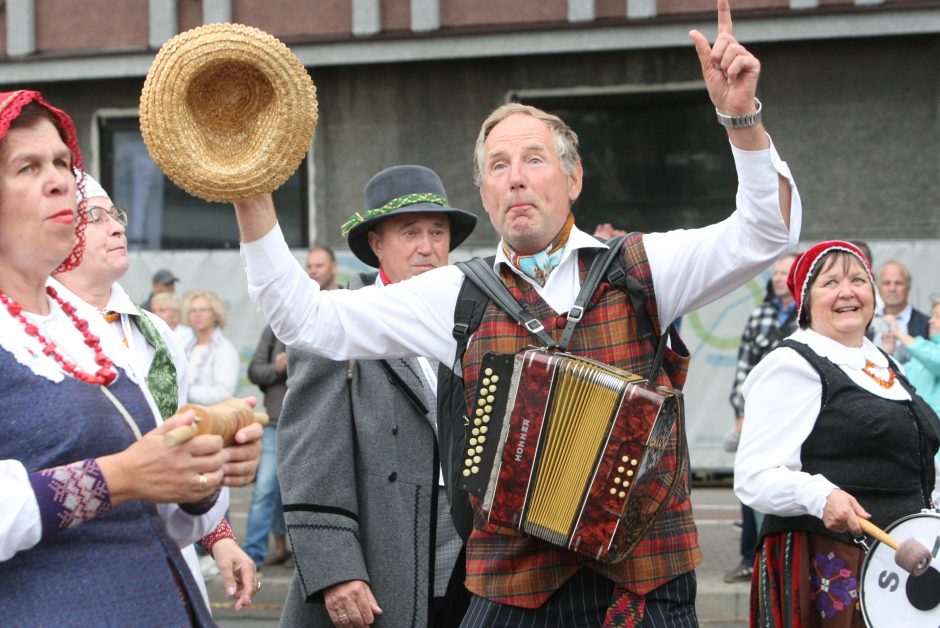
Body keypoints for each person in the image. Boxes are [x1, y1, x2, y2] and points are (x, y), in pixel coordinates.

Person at [233, 1, 800, 621]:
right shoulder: (458, 293)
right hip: (514, 594)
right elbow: (307, 321)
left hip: (642, 588)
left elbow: (765, 234)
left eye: (534, 159)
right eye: (499, 166)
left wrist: (741, 118)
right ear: (485, 192)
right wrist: (251, 190)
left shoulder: (641, 267)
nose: (517, 178)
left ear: (573, 178)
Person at [0, 90, 260, 623]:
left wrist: (202, 466)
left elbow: (163, 516)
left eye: (61, 163)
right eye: (26, 167)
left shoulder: (88, 328)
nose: (58, 181)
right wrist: (117, 476)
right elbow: (126, 478)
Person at [278, 164, 476, 627]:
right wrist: (336, 571)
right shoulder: (335, 322)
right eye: (410, 232)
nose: (427, 247)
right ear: (376, 244)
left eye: (437, 231)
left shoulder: (475, 323)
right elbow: (309, 461)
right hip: (380, 558)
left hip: (473, 558)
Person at [53, 172, 261, 611]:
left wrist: (219, 535)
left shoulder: (157, 333)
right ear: (53, 229)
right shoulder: (29, 332)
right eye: (94, 216)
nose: (116, 227)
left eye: (116, 214)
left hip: (167, 556)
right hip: (72, 567)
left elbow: (177, 443)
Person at [734, 240, 940, 626]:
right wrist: (820, 494)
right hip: (834, 561)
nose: (847, 291)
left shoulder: (885, 360)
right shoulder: (792, 364)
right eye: (830, 283)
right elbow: (753, 478)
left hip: (904, 567)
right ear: (806, 302)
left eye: (858, 280)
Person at [724, 252, 798, 582]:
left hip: (797, 417)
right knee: (751, 485)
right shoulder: (759, 316)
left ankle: (788, 560)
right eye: (777, 271)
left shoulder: (810, 315)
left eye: (787, 272)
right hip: (760, 417)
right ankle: (749, 559)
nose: (780, 276)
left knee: (791, 486)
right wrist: (741, 413)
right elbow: (743, 368)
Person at [243, 324, 290, 570]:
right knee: (265, 490)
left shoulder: (323, 318)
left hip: (311, 423)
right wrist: (277, 368)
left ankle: (304, 555)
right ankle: (251, 556)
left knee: (301, 491)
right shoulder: (274, 329)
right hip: (274, 423)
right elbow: (255, 372)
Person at [883, 297, 940, 415]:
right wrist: (888, 354)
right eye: (933, 315)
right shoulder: (925, 352)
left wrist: (899, 333)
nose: (931, 321)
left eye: (938, 316)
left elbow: (936, 360)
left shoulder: (927, 352)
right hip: (919, 426)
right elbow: (899, 377)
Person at [183, 289, 240, 405]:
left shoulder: (224, 349)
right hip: (187, 415)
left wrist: (185, 392)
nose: (197, 314)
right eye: (193, 311)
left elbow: (224, 392)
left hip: (213, 418)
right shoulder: (187, 347)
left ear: (215, 314)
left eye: (203, 310)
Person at [869, 260, 930, 363]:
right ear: (878, 288)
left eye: (898, 283)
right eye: (886, 283)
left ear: (908, 288)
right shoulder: (867, 321)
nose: (892, 288)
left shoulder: (926, 324)